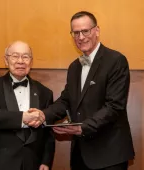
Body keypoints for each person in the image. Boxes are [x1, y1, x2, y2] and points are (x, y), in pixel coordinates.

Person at [30, 11, 135, 170]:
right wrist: (44, 115)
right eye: (76, 32)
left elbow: (114, 106)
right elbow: (66, 100)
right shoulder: (74, 67)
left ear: (97, 31)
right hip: (81, 156)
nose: (80, 37)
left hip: (109, 155)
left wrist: (82, 127)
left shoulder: (115, 61)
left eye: (85, 31)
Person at [0, 41, 55, 170]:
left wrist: (46, 161)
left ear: (31, 61)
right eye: (15, 56)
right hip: (0, 164)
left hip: (33, 163)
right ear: (6, 60)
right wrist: (22, 118)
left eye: (25, 57)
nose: (21, 61)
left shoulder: (45, 92)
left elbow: (48, 132)